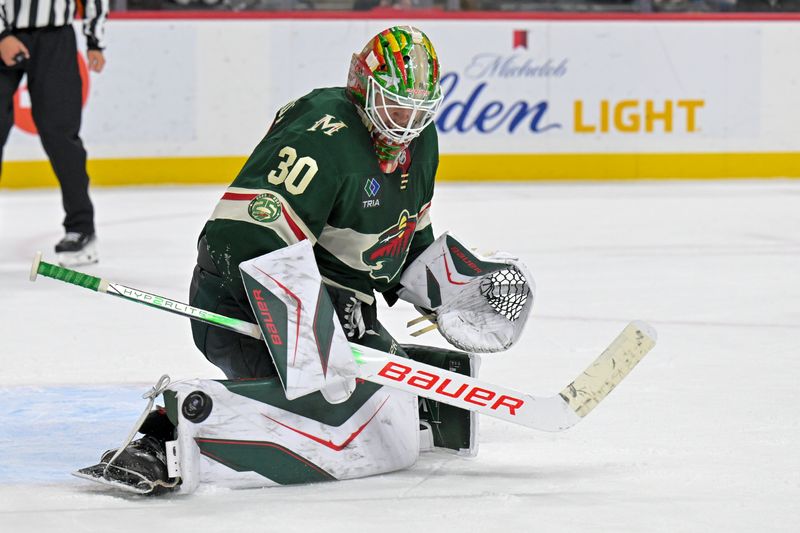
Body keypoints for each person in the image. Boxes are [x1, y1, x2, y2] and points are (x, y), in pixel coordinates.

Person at [75, 26, 533, 495]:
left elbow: (406, 235)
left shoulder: (423, 141)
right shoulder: (323, 132)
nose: (406, 123)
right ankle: (160, 439)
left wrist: (448, 290)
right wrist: (313, 319)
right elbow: (240, 237)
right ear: (362, 87)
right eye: (396, 106)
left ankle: (344, 387)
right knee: (320, 404)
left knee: (385, 404)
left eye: (418, 110)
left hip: (340, 311)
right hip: (241, 300)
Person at [0, 0, 107, 266]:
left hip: (55, 37)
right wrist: (2, 35)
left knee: (61, 135)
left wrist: (94, 41)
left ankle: (81, 227)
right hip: (4, 31)